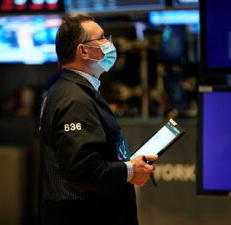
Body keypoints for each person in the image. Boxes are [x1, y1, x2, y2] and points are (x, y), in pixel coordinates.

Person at [38, 15, 158, 225]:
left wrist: (129, 168)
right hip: (87, 215)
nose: (109, 43)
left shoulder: (75, 91)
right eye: (102, 38)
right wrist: (130, 170)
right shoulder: (74, 99)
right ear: (83, 50)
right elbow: (83, 169)